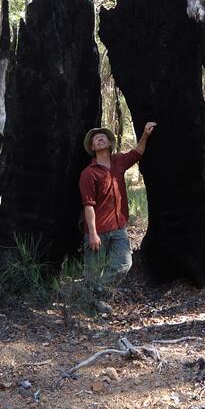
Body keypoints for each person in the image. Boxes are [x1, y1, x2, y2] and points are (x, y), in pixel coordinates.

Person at [79, 122, 157, 310]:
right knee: (93, 271)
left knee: (124, 264)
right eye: (95, 138)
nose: (99, 138)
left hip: (119, 228)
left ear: (109, 142)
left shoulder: (119, 162)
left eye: (103, 136)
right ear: (92, 147)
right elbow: (88, 205)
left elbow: (137, 152)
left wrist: (145, 135)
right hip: (98, 231)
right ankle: (92, 307)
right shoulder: (88, 174)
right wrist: (93, 233)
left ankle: (97, 292)